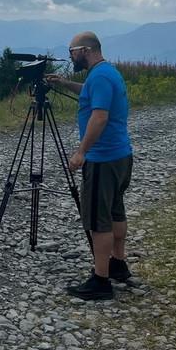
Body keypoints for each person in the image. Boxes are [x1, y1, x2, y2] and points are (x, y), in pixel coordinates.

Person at [46, 31, 133, 300]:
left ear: (85, 50)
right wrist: (64, 83)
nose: (69, 56)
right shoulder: (104, 74)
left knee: (99, 221)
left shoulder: (101, 75)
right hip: (120, 156)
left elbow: (100, 115)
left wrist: (81, 151)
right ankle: (118, 264)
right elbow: (92, 93)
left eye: (71, 51)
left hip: (102, 159)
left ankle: (100, 281)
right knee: (116, 211)